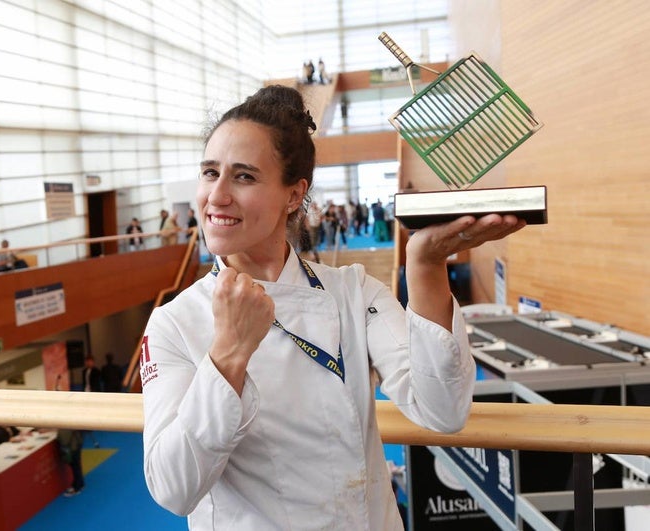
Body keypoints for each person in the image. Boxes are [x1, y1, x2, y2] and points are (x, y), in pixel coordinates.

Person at [140, 85, 525, 530]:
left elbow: (442, 409)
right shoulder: (174, 323)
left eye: (244, 176)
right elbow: (172, 488)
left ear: (293, 194)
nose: (217, 195)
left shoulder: (354, 292)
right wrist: (229, 352)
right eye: (210, 172)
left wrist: (425, 263)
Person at [57, 428, 85, 496]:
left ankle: (76, 488)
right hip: (77, 443)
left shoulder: (65, 426)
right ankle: (80, 484)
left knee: (75, 467)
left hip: (72, 447)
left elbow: (64, 440)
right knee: (77, 466)